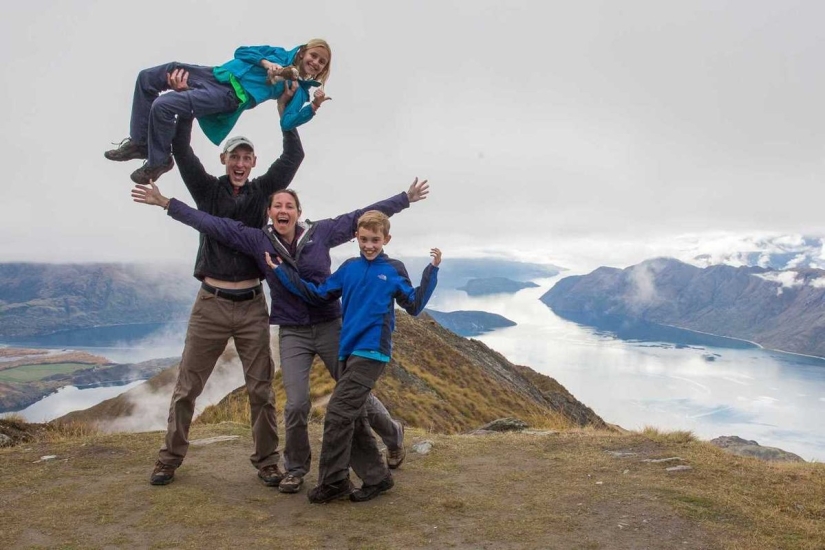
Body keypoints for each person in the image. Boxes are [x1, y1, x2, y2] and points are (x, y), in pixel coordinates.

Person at [132, 178, 429, 494]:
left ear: (298, 212)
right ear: (269, 212)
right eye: (277, 206)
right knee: (296, 404)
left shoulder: (321, 233)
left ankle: (393, 436)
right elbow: (211, 224)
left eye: (289, 205)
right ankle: (296, 469)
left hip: (329, 326)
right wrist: (166, 203)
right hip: (293, 332)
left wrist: (404, 199)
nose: (283, 210)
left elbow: (361, 216)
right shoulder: (258, 240)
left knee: (354, 393)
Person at [146, 83, 305, 487]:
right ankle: (169, 458)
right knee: (187, 388)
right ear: (224, 159)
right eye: (234, 155)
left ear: (253, 162)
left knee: (262, 391)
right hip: (211, 304)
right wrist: (186, 102)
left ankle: (268, 461)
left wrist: (286, 112)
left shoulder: (263, 194)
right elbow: (182, 152)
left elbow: (294, 155)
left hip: (252, 304)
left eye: (246, 156)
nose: (240, 162)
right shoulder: (207, 189)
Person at [269, 210, 441, 504]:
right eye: (364, 239)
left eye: (375, 239)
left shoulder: (394, 269)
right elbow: (318, 294)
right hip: (348, 351)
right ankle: (377, 477)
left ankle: (334, 481)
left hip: (373, 352)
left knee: (336, 413)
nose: (369, 245)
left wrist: (431, 271)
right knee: (354, 417)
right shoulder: (348, 268)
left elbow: (412, 304)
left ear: (386, 239)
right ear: (356, 238)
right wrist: (282, 272)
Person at [105, 40, 331, 185]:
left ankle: (160, 160)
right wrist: (265, 63)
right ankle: (141, 142)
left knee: (164, 105)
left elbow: (288, 122)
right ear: (303, 52)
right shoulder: (278, 54)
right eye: (314, 56)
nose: (316, 62)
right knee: (147, 78)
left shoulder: (298, 91)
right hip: (216, 75)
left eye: (322, 62)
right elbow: (241, 51)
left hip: (231, 96)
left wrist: (313, 107)